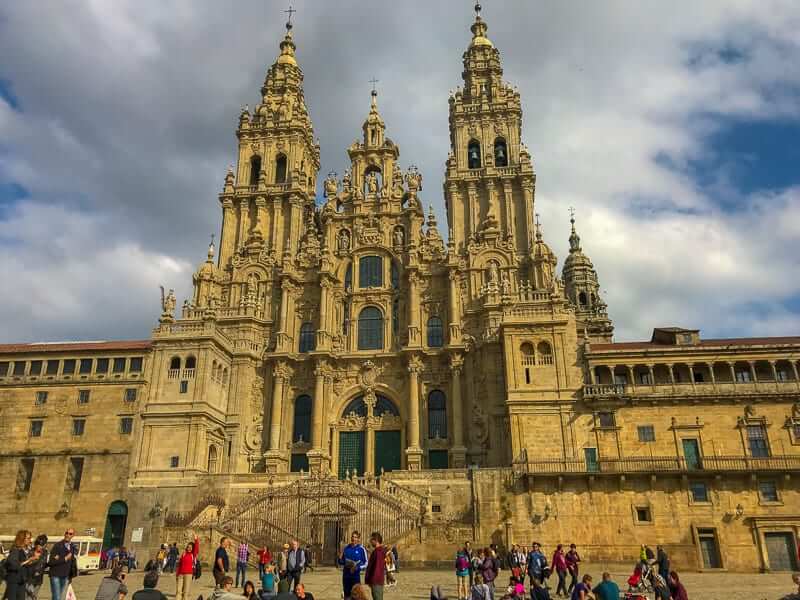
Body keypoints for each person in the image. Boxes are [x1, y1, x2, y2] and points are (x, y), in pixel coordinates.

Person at [4, 531, 39, 600]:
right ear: (22, 539)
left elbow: (24, 564)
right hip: (14, 580)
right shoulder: (15, 550)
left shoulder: (25, 550)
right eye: (28, 538)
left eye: (30, 538)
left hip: (22, 580)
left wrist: (33, 560)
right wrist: (29, 559)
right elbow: (14, 565)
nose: (30, 540)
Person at [338, 531, 368, 600]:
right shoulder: (346, 548)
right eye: (352, 536)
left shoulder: (361, 549)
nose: (353, 538)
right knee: (347, 596)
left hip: (355, 577)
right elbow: (341, 562)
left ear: (358, 539)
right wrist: (340, 556)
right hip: (346, 576)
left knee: (356, 596)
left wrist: (357, 567)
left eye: (355, 537)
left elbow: (366, 563)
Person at [48, 528, 76, 600]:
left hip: (65, 575)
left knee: (59, 596)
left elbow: (71, 562)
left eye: (70, 534)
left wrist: (71, 575)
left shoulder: (72, 546)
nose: (67, 535)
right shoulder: (57, 545)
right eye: (66, 533)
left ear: (73, 535)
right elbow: (51, 562)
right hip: (55, 575)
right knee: (57, 597)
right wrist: (65, 558)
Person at [175, 535, 199, 600]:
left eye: (191, 547)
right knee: (178, 591)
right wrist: (177, 574)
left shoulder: (193, 555)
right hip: (181, 574)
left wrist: (196, 539)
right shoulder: (183, 554)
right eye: (188, 547)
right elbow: (179, 565)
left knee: (186, 591)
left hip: (188, 574)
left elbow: (196, 548)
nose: (189, 548)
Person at [26, 534, 49, 600]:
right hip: (29, 579)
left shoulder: (45, 552)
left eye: (42, 545)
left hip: (39, 580)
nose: (40, 547)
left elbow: (44, 564)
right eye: (38, 545)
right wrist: (34, 559)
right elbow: (26, 564)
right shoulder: (30, 552)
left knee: (34, 597)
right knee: (29, 597)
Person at [364, 532, 386, 600]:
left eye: (371, 540)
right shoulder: (377, 551)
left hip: (376, 581)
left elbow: (377, 568)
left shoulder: (378, 552)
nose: (370, 542)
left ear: (376, 540)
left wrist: (372, 580)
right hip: (376, 581)